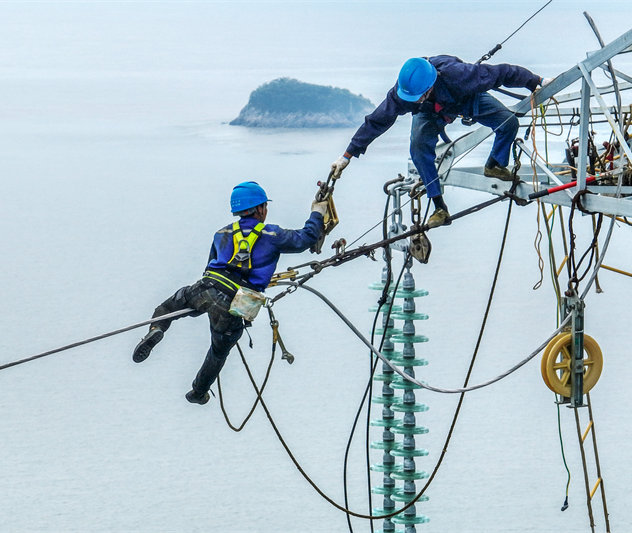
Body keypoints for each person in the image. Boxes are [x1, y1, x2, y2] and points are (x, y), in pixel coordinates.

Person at [132, 181, 326, 405]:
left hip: (205, 288)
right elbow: (306, 239)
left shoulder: (221, 233)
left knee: (165, 309)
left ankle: (157, 329)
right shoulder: (273, 234)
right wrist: (317, 212)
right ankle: (197, 392)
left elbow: (209, 268)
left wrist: (198, 307)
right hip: (236, 302)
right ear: (260, 208)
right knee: (218, 351)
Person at [330, 55, 547, 228]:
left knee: (507, 122)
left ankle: (495, 164)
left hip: (464, 99)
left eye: (419, 96)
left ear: (430, 86)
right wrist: (347, 155)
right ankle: (439, 207)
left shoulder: (459, 75)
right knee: (418, 149)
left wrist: (536, 82)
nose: (414, 100)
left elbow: (504, 73)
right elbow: (376, 122)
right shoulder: (403, 93)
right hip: (430, 112)